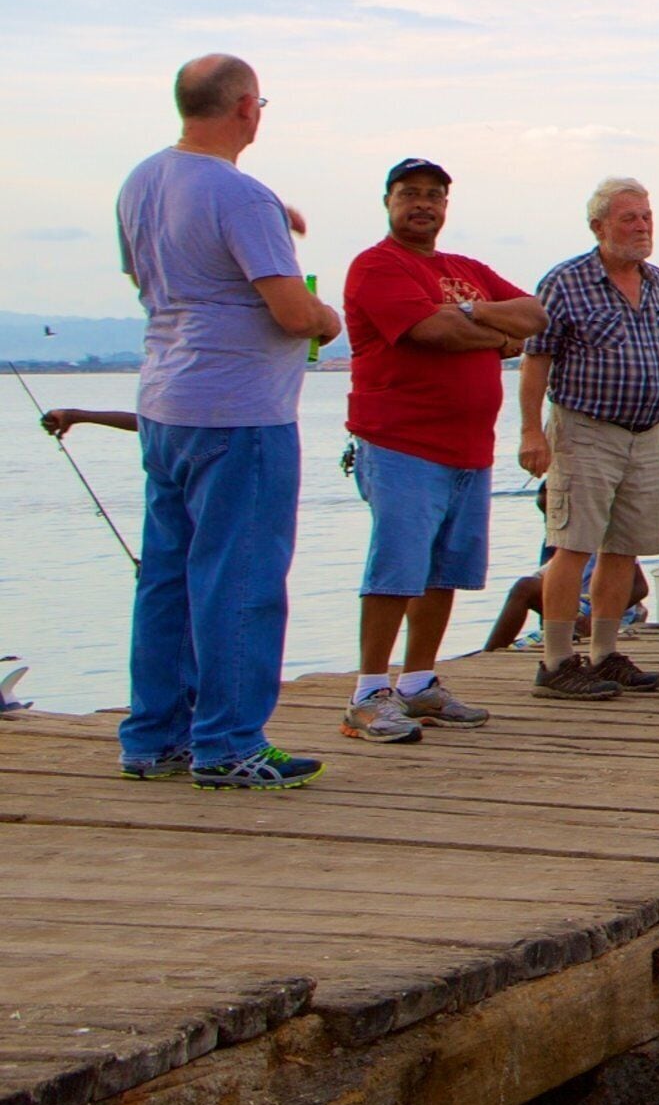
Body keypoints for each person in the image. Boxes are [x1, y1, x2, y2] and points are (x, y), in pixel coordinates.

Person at [111, 55, 335, 788]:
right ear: (245, 107)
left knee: (169, 576)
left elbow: (160, 275)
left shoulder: (142, 181)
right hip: (240, 411)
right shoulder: (240, 195)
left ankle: (154, 735)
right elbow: (293, 313)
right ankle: (231, 741)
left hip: (165, 400)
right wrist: (328, 318)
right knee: (241, 576)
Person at [338, 159, 541, 742]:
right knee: (396, 568)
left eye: (434, 195)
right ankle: (369, 692)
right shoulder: (375, 266)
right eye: (409, 194)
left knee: (442, 571)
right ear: (388, 201)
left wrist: (471, 312)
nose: (422, 204)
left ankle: (419, 682)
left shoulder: (465, 270)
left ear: (447, 206)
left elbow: (534, 315)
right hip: (400, 443)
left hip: (469, 450)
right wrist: (490, 334)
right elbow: (432, 332)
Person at [520, 177, 659, 702]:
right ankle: (556, 660)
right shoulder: (565, 281)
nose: (642, 226)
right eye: (629, 218)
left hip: (649, 429)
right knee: (573, 543)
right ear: (598, 226)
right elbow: (536, 359)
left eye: (647, 216)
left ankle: (605, 652)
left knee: (625, 548)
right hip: (586, 428)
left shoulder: (658, 283)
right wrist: (531, 431)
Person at [483, 559, 651, 654]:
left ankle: (490, 653)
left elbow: (640, 587)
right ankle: (492, 653)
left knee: (525, 587)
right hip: (577, 606)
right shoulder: (571, 540)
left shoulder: (608, 534)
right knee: (525, 587)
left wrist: (597, 616)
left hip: (601, 610)